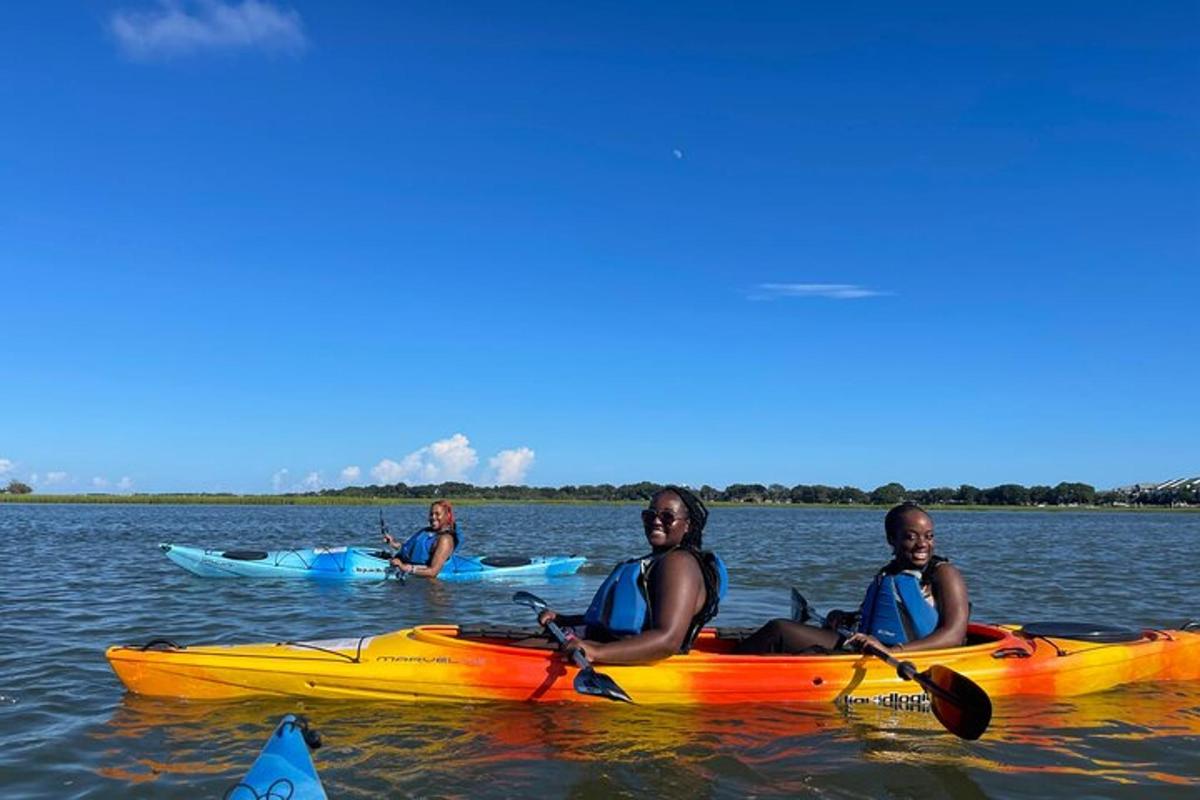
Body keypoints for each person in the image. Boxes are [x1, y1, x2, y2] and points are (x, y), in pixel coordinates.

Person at [734, 502, 969, 655]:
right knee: (778, 630)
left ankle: (724, 672)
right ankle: (730, 665)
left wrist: (896, 651)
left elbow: (954, 635)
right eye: (911, 537)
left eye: (929, 536)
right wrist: (846, 617)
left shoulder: (944, 573)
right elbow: (880, 618)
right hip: (866, 647)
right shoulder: (889, 573)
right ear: (891, 539)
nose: (922, 544)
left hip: (898, 653)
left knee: (780, 630)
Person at [537, 485, 728, 664]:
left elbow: (668, 641)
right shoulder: (656, 561)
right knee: (527, 642)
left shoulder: (679, 563)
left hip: (636, 658)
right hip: (606, 643)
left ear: (688, 525)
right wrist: (563, 619)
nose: (656, 521)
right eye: (649, 515)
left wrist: (596, 652)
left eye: (667, 517)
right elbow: (620, 618)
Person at [383, 500, 459, 579]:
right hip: (402, 562)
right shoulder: (426, 531)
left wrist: (404, 567)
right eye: (431, 514)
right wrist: (392, 543)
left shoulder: (445, 540)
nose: (433, 517)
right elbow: (408, 549)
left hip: (421, 574)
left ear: (447, 516)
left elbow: (433, 572)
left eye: (437, 514)